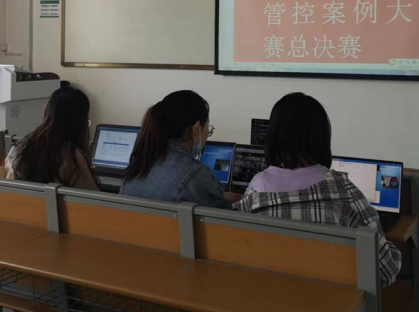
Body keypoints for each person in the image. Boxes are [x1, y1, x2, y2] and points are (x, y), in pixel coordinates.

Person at [235, 92, 401, 287]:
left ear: (273, 135)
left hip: (267, 296)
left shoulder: (255, 188)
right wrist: (392, 250)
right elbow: (386, 272)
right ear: (321, 137)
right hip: (334, 302)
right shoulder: (344, 190)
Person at [121, 90, 239, 208]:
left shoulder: (137, 166)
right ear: (196, 128)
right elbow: (224, 214)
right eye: (208, 126)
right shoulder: (198, 175)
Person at [5, 86, 98, 191]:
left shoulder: (19, 148)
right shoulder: (72, 157)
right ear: (80, 123)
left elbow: (9, 188)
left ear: (47, 113)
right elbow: (93, 196)